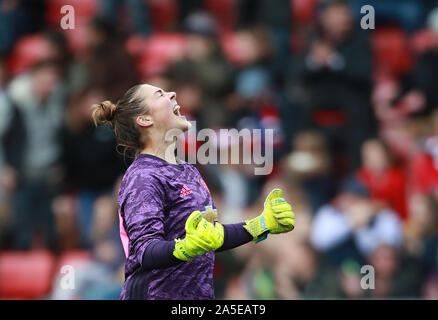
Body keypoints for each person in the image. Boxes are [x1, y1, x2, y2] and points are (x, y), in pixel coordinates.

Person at [91, 83, 295, 300]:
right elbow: (146, 251)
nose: (172, 93)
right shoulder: (143, 176)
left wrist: (261, 224)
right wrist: (186, 248)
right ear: (145, 120)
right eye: (160, 94)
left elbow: (210, 237)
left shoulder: (189, 171)